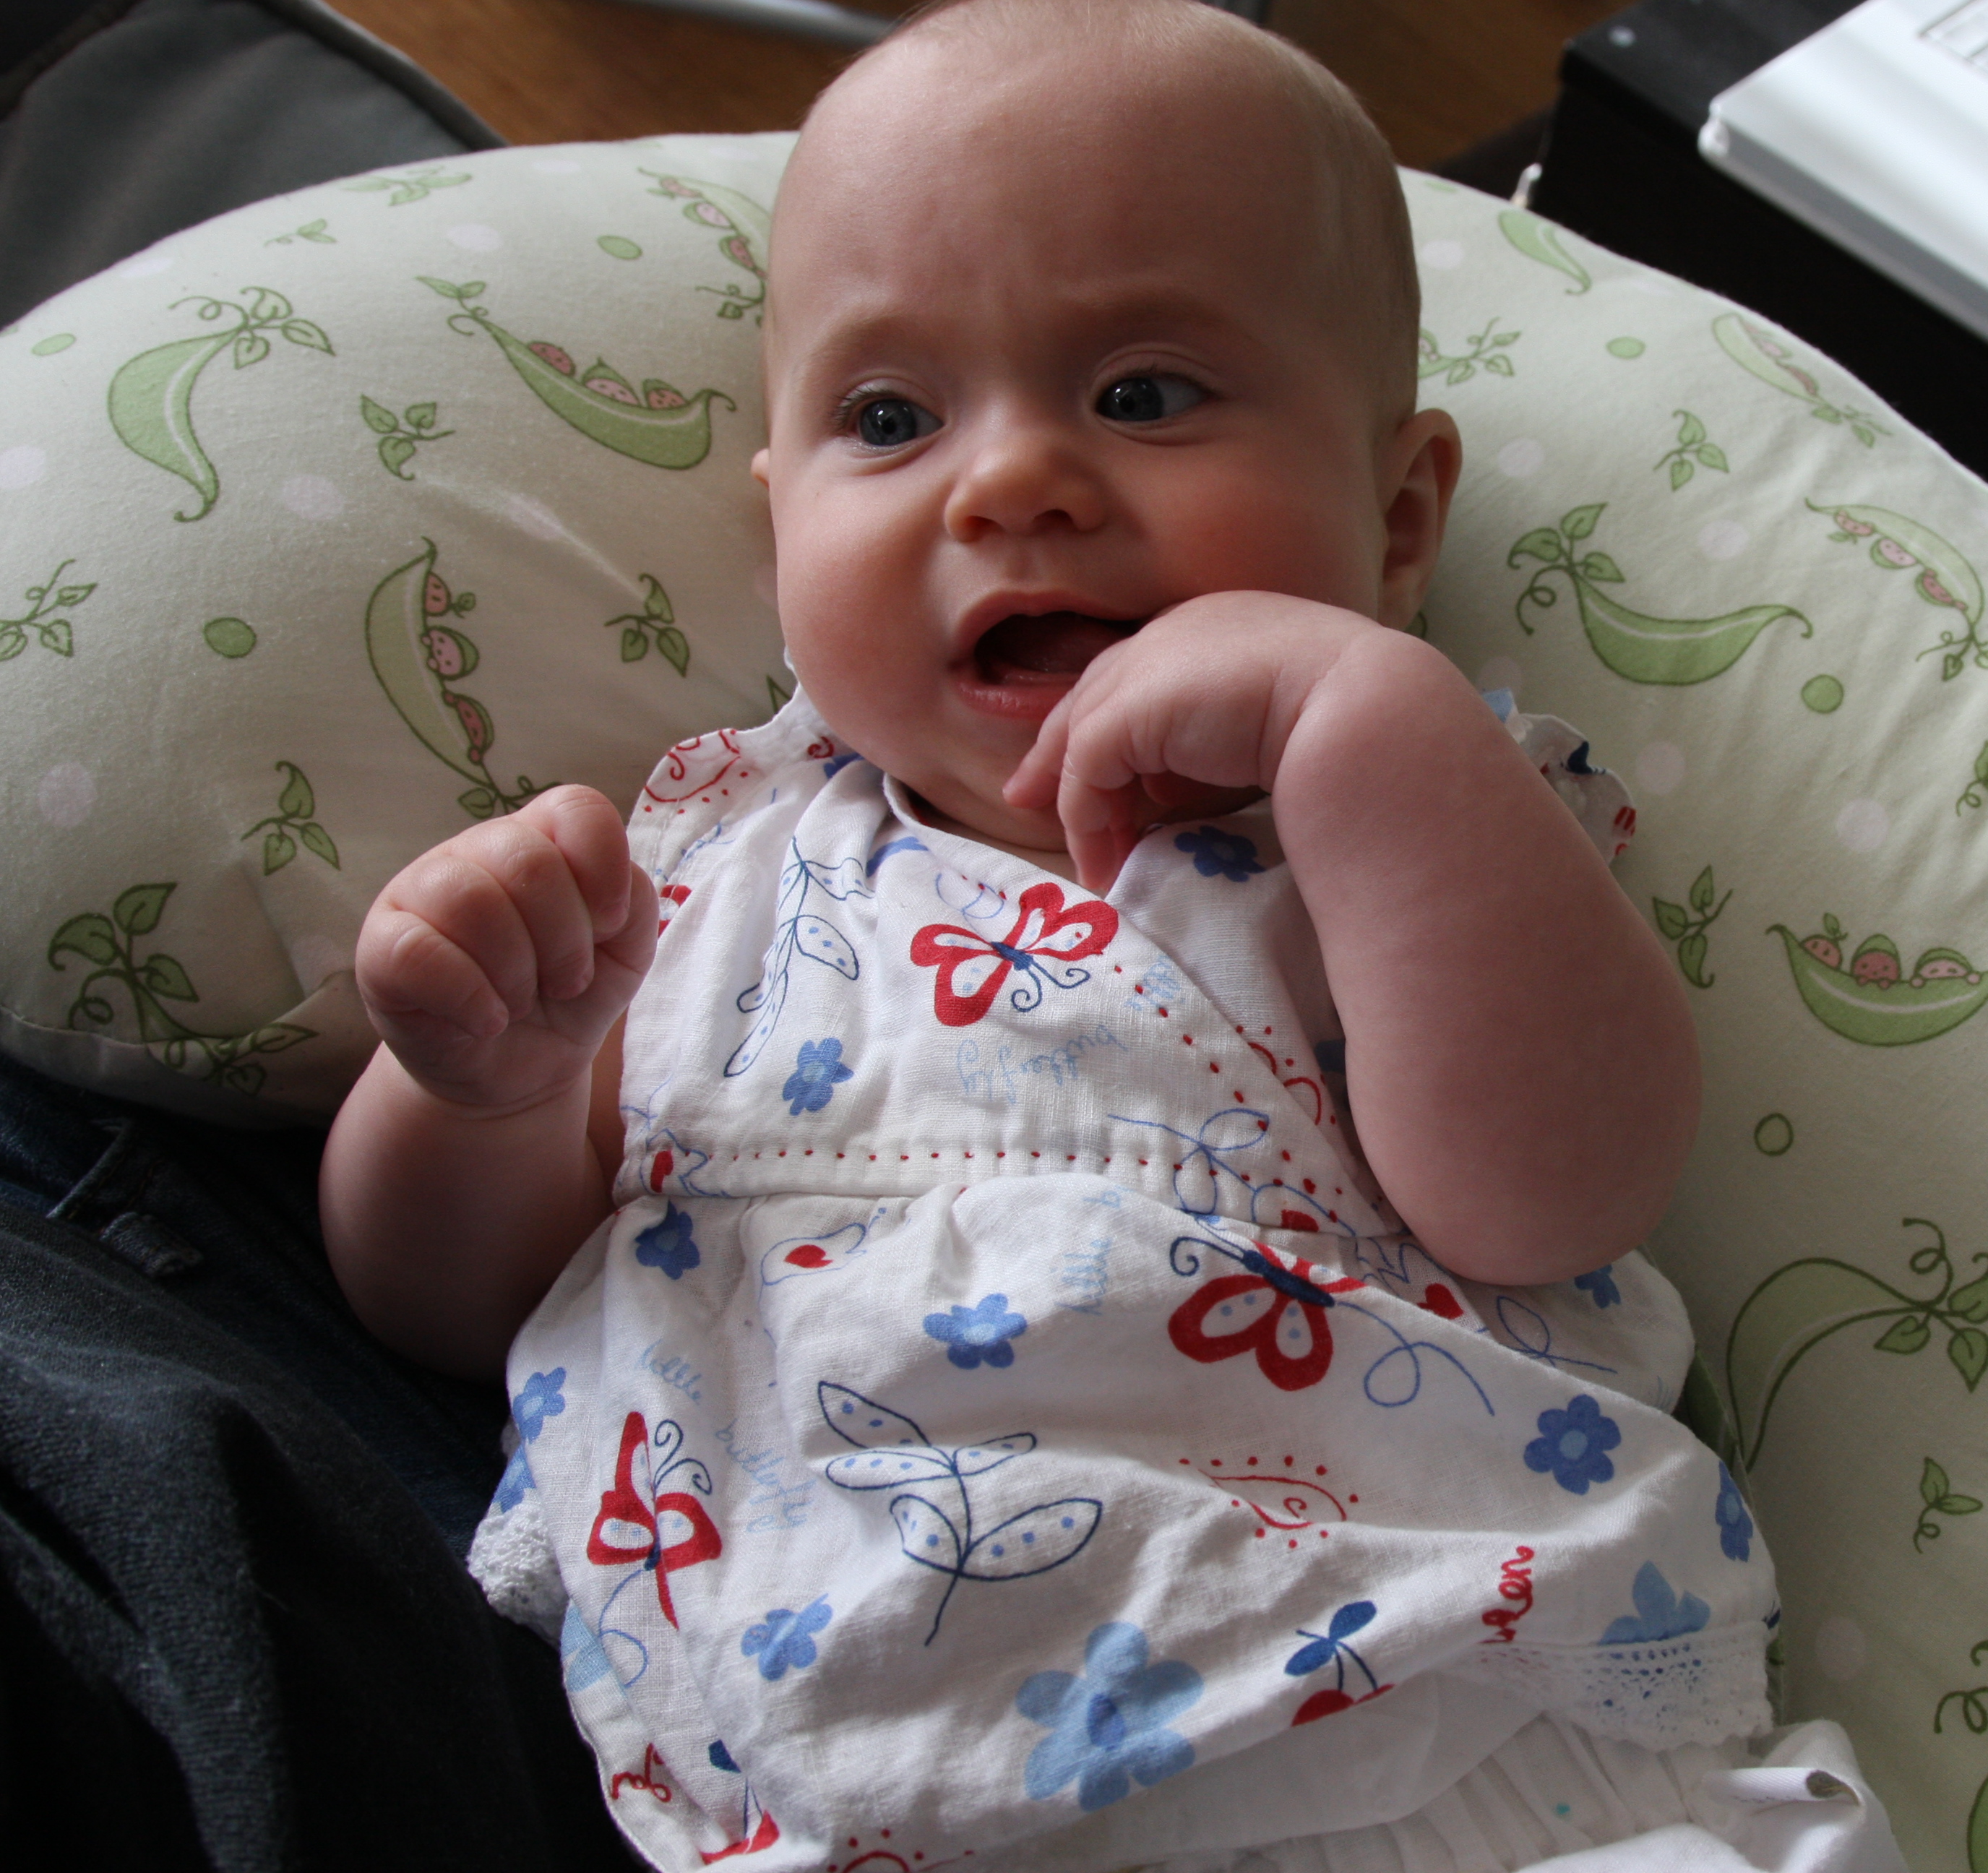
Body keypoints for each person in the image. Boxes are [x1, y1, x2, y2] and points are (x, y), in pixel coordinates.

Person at [319, 4, 1887, 1869]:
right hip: (838, 1761)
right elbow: (442, 1313)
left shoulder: (1389, 824)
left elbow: (1557, 1198)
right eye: (889, 421)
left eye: (1142, 395)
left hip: (1431, 1721)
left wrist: (1359, 721)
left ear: (1397, 519)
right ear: (779, 527)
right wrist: (486, 1091)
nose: (1010, 484)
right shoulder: (709, 878)